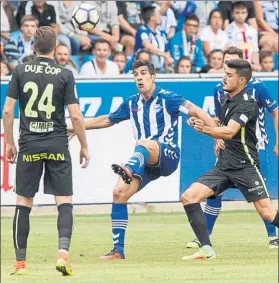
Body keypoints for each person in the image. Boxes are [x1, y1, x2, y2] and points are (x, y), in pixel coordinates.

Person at [68, 60, 217, 260]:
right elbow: (106, 119)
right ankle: (118, 250)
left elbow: (199, 112)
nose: (139, 77)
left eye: (143, 73)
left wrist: (217, 135)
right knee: (119, 192)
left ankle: (129, 168)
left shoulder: (168, 98)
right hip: (145, 160)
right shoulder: (132, 103)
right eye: (136, 74)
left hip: (167, 155)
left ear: (153, 77)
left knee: (145, 143)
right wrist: (77, 127)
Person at [3, 26, 90, 276]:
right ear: (55, 48)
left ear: (33, 46)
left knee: (23, 202)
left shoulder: (20, 71)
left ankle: (20, 263)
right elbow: (75, 115)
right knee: (64, 201)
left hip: (30, 144)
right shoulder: (65, 74)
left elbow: (8, 111)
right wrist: (84, 146)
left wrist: (10, 142)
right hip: (57, 144)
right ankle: (63, 253)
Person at [181, 59, 279, 260]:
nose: (223, 77)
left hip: (245, 166)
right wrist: (201, 121)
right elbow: (221, 123)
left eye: (229, 75)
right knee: (189, 197)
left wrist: (204, 129)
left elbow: (229, 131)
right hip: (224, 166)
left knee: (268, 213)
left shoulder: (248, 103)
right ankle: (207, 249)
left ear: (242, 80)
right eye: (224, 73)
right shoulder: (227, 99)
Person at [134, 5, 173, 73]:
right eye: (158, 15)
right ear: (152, 18)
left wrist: (168, 60)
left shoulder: (161, 33)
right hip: (144, 70)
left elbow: (167, 51)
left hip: (161, 70)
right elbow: (147, 46)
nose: (160, 17)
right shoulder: (142, 30)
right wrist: (164, 55)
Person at [226, 1, 261, 71]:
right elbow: (230, 52)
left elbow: (255, 50)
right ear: (232, 14)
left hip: (251, 66)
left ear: (247, 13)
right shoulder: (228, 30)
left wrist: (256, 65)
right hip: (236, 65)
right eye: (237, 12)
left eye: (243, 12)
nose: (240, 16)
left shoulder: (252, 31)